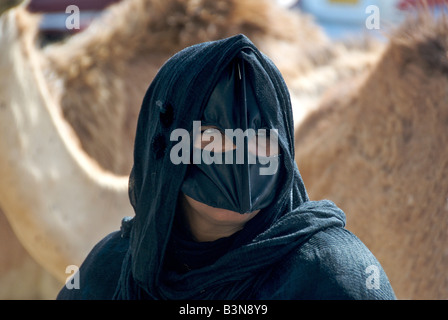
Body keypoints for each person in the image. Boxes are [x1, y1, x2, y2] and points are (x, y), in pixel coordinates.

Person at [57, 34, 396, 300]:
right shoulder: (109, 272)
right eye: (211, 138)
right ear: (163, 147)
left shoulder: (335, 277)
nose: (238, 158)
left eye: (260, 137)